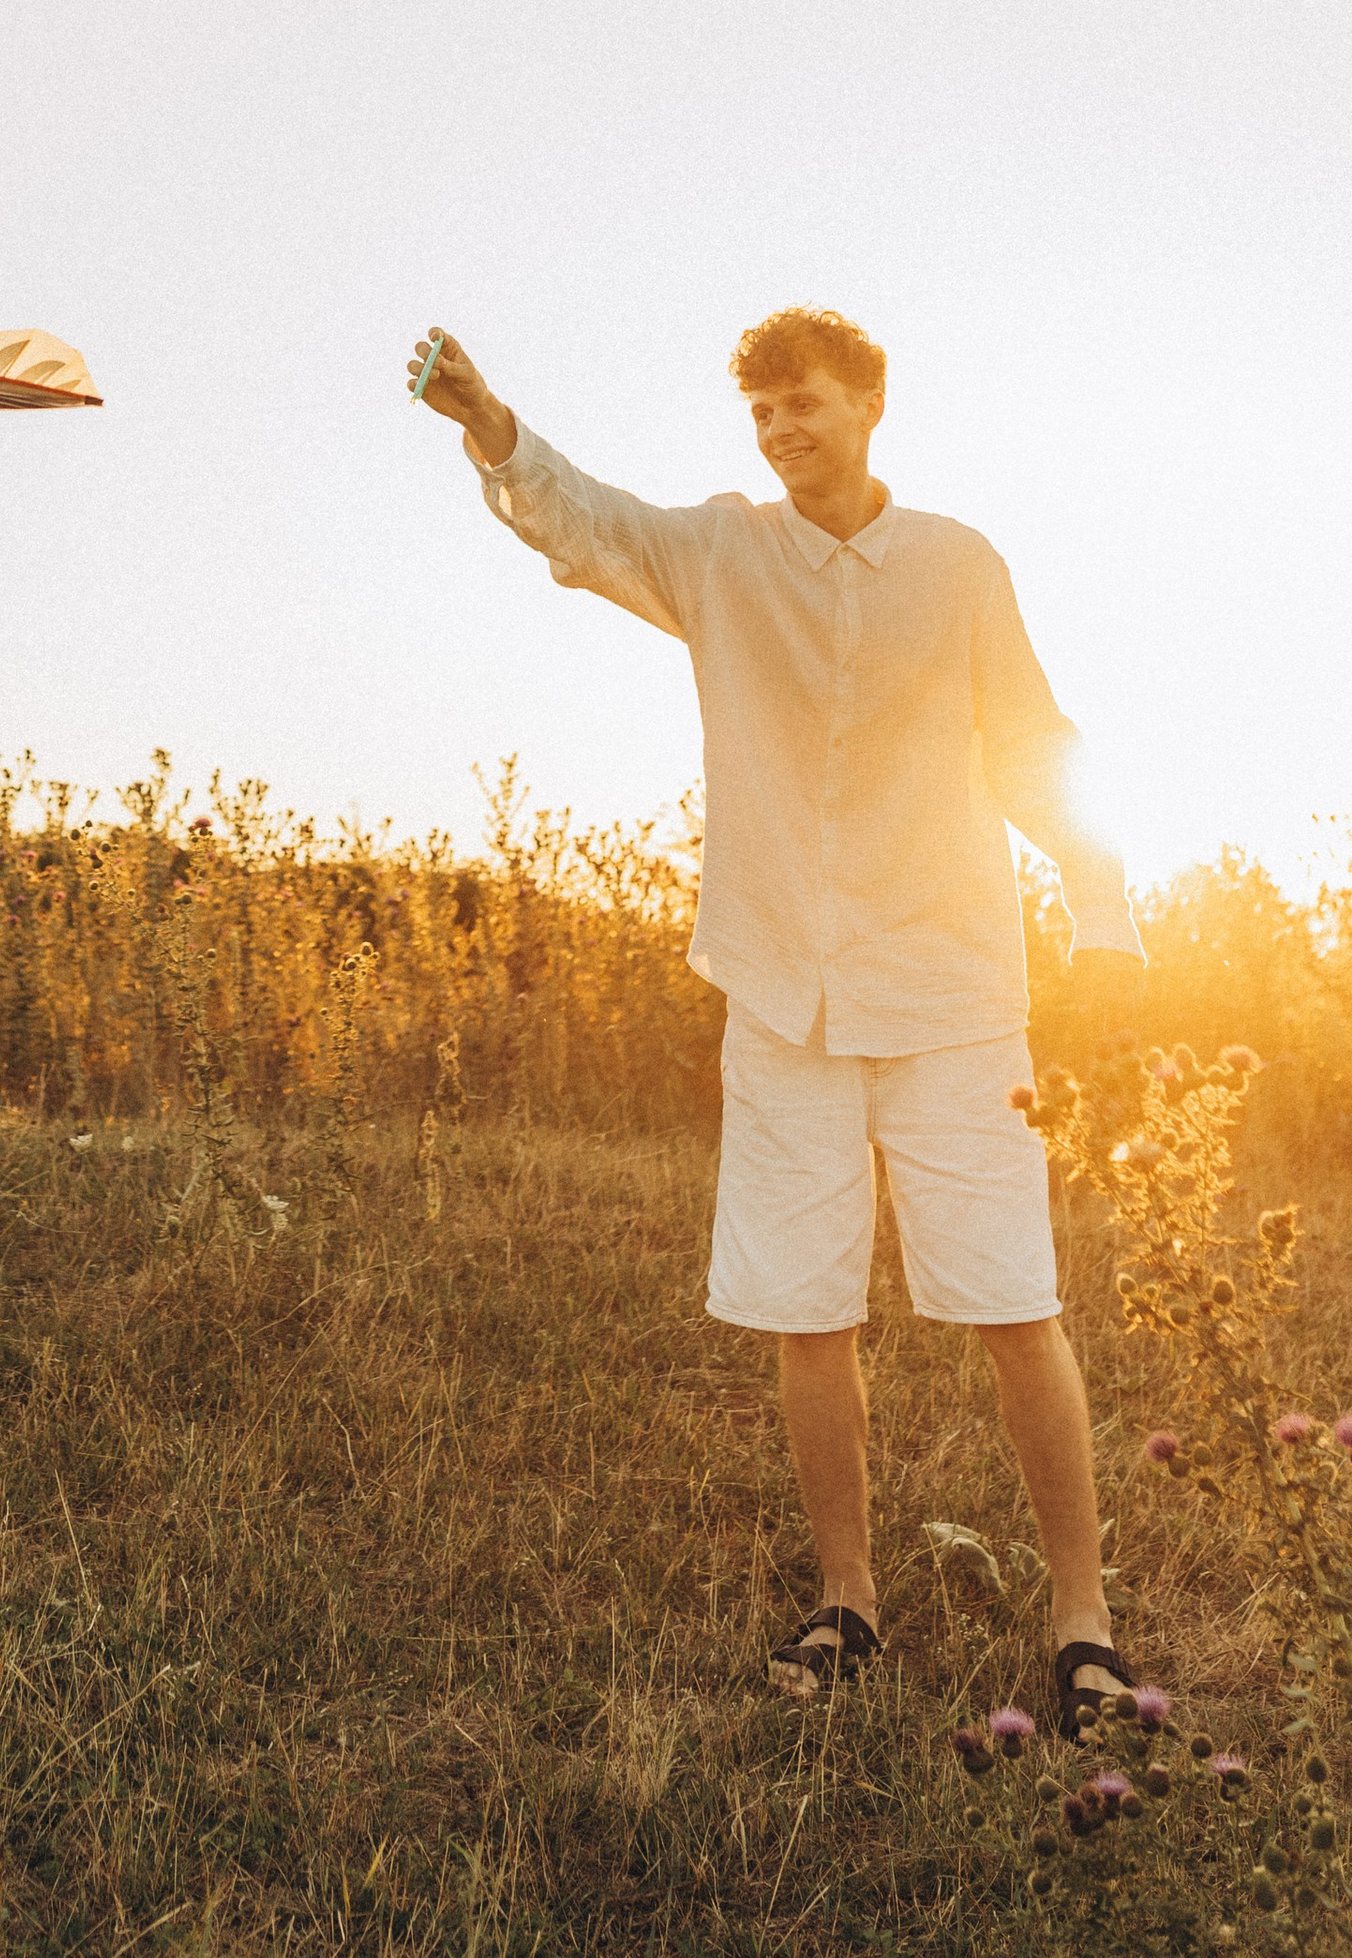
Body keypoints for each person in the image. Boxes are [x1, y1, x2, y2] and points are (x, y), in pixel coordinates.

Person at [411, 305, 1148, 1732]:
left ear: (869, 402)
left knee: (1016, 1306)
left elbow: (1031, 744)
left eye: (801, 403)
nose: (778, 431)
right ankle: (848, 1602)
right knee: (808, 1314)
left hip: (951, 998)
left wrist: (1100, 907)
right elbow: (589, 524)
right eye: (759, 412)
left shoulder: (957, 564)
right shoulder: (722, 552)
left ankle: (1084, 1623)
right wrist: (490, 425)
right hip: (782, 1002)